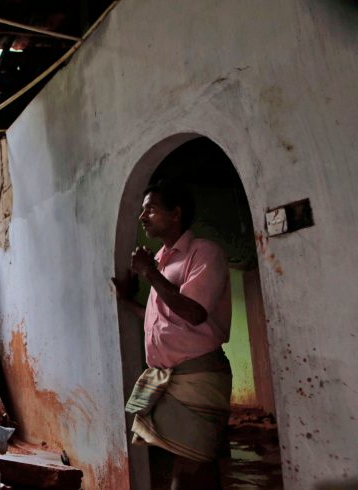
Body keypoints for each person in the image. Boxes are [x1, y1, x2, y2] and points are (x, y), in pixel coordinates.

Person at [112, 179, 232, 490]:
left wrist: (149, 272)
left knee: (187, 470)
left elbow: (194, 313)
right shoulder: (163, 261)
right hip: (170, 378)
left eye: (150, 209)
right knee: (197, 464)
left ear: (175, 213)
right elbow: (164, 318)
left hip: (198, 374)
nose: (142, 217)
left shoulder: (204, 252)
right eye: (141, 211)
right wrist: (127, 301)